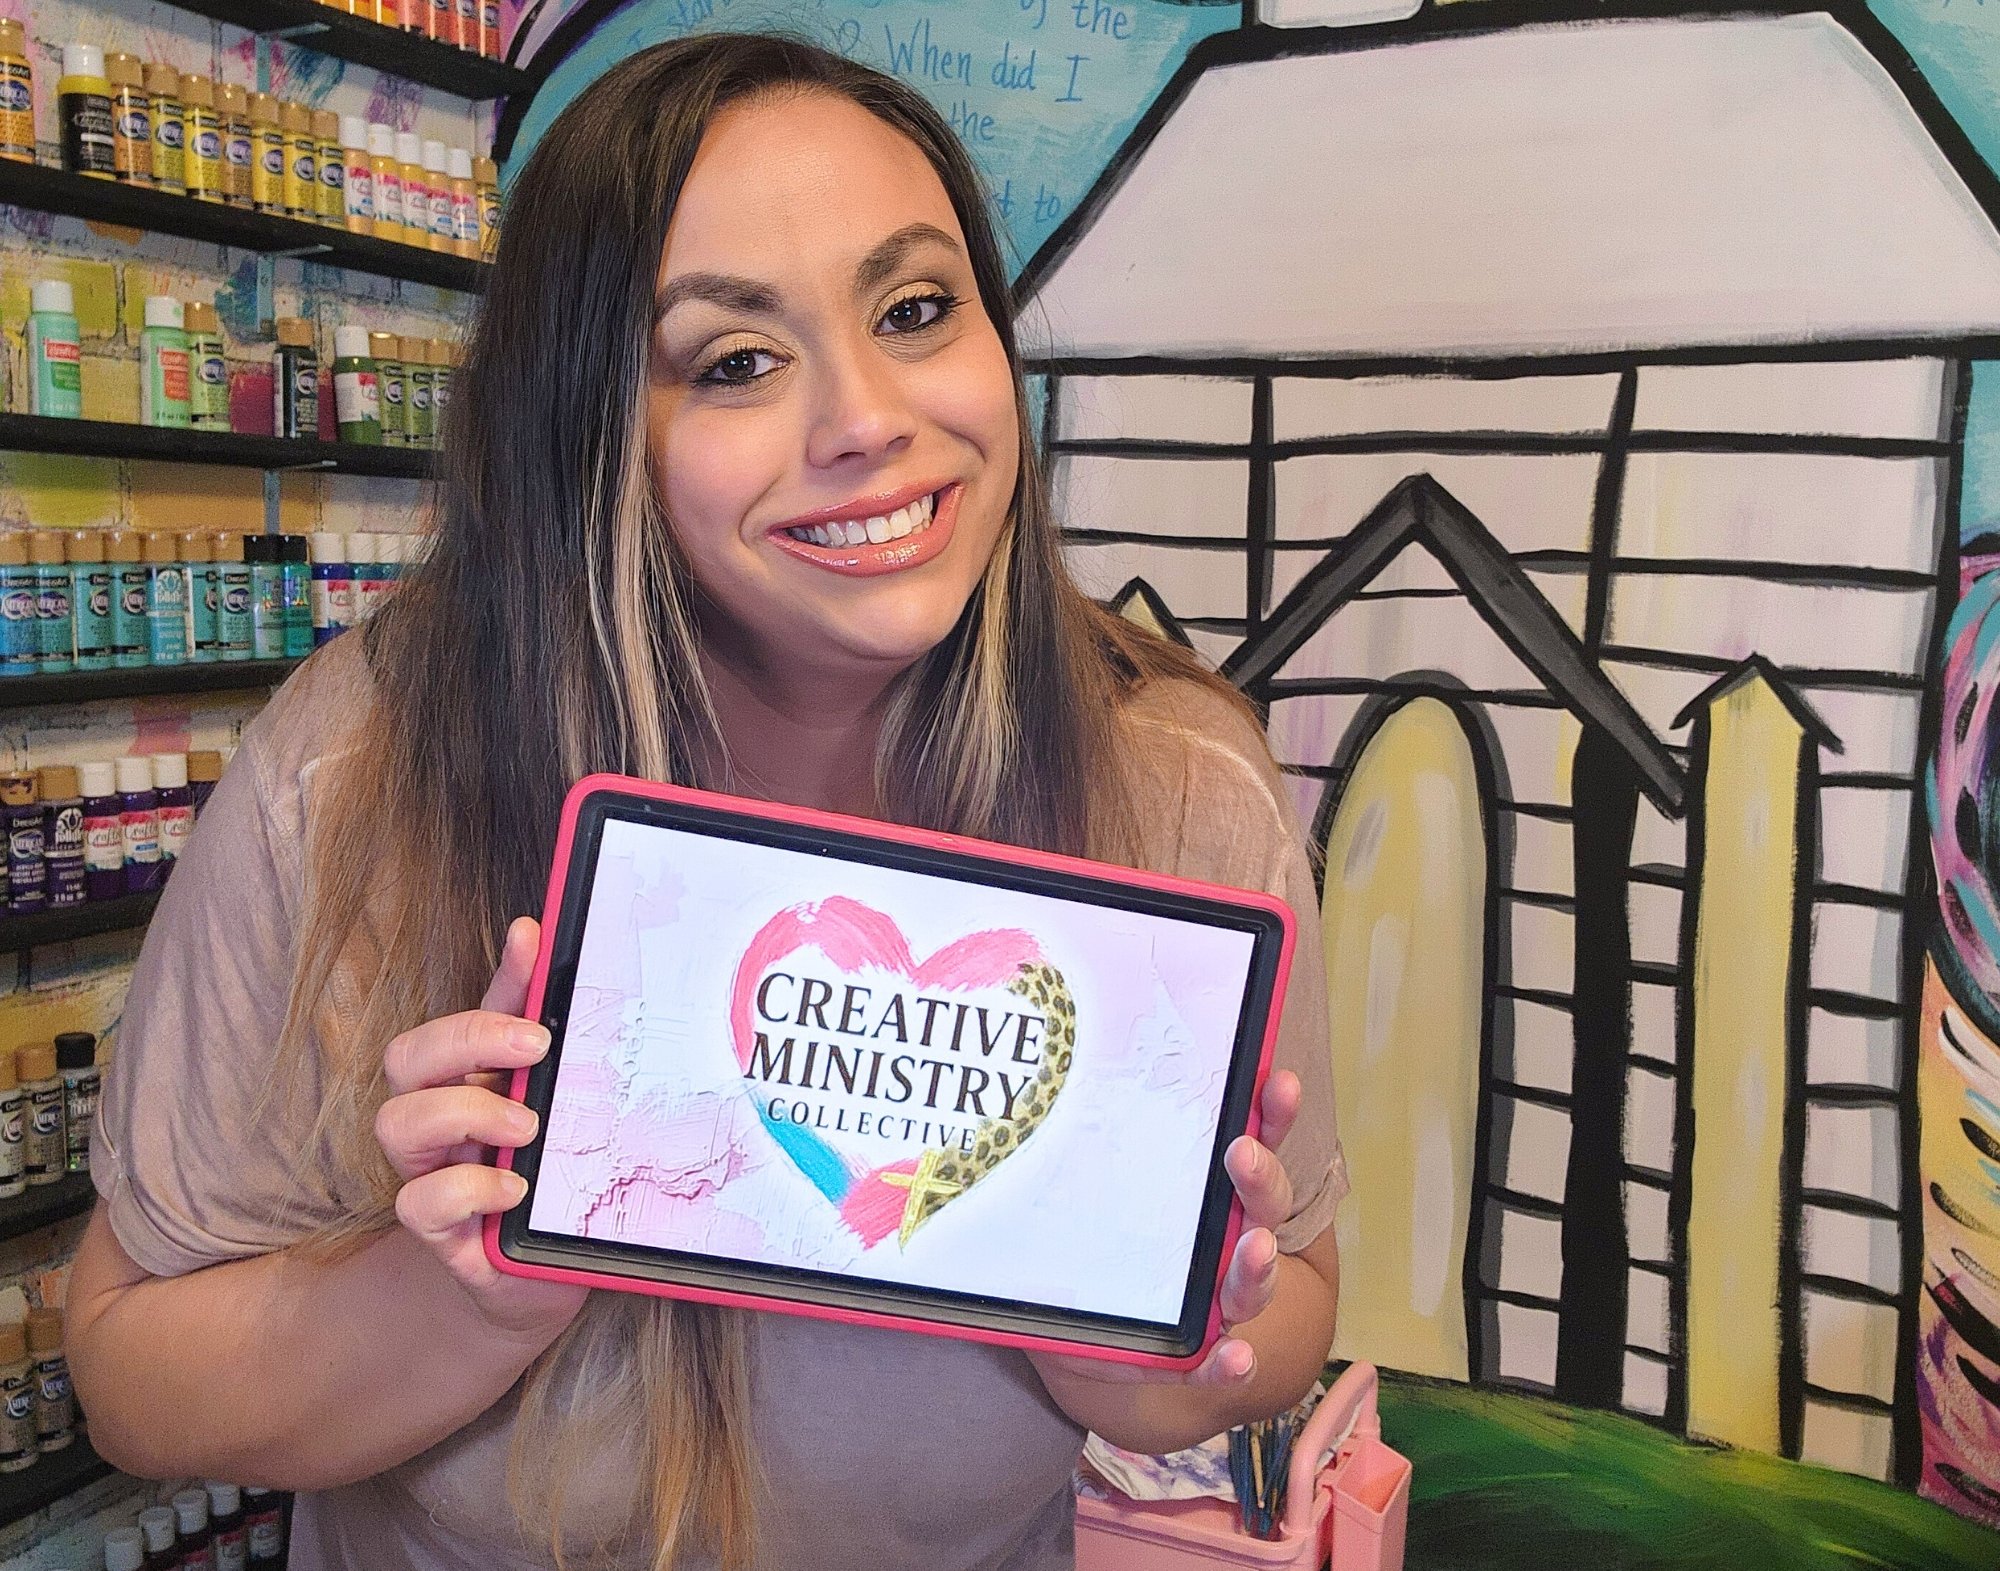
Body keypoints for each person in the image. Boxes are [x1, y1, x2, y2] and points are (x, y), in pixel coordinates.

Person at [65, 33, 1346, 1571]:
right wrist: (455, 1301)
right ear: (591, 430)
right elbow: (132, 1381)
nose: (866, 419)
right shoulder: (353, 776)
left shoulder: (1179, 780)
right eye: (734, 361)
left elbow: (1289, 1305)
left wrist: (1141, 1341)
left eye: (915, 309)